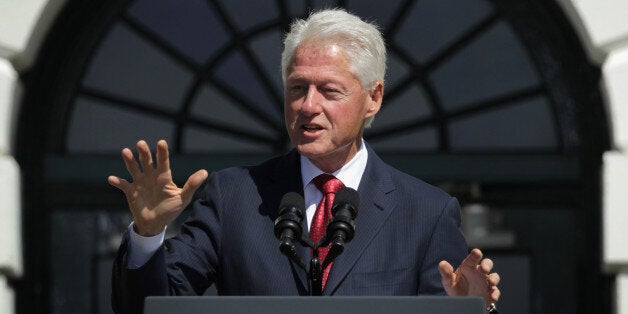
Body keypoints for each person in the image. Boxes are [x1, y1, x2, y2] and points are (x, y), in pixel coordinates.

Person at [108, 8, 500, 314]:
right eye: (297, 88)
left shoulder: (427, 213)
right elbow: (147, 308)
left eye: (329, 90)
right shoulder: (233, 197)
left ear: (373, 98)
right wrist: (148, 235)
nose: (308, 106)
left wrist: (469, 310)